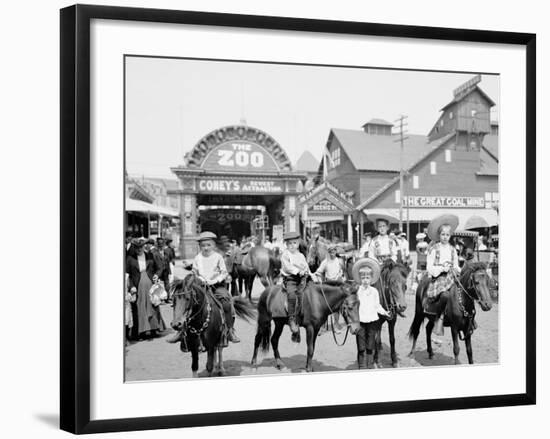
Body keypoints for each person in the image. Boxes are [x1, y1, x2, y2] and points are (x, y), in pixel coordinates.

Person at [192, 231, 240, 343]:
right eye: (203, 245)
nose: (206, 248)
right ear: (200, 247)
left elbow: (224, 272)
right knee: (188, 301)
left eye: (209, 245)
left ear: (213, 245)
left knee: (226, 302)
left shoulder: (218, 257)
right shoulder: (197, 258)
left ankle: (229, 330)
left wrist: (215, 280)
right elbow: (194, 272)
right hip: (201, 286)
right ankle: (183, 332)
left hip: (216, 286)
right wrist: (200, 279)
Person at [425, 214, 461, 336]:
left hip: (451, 277)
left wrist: (457, 269)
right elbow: (429, 267)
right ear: (439, 235)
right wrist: (441, 268)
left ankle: (468, 318)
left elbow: (456, 265)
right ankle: (438, 319)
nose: (445, 237)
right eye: (443, 234)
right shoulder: (434, 249)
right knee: (445, 295)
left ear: (450, 236)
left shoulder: (453, 250)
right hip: (439, 278)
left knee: (464, 292)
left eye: (447, 235)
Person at [352, 258, 391, 369]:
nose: (365, 280)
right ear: (359, 279)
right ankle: (362, 366)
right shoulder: (357, 291)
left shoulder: (374, 291)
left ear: (371, 279)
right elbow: (353, 306)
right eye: (363, 278)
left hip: (372, 321)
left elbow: (377, 305)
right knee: (361, 346)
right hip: (360, 322)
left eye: (367, 278)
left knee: (370, 345)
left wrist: (385, 312)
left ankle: (369, 365)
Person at [126, 238, 167, 340]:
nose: (139, 249)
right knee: (139, 308)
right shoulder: (130, 259)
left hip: (150, 284)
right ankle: (140, 332)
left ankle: (154, 329)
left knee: (153, 305)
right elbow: (128, 275)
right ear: (134, 248)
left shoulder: (150, 255)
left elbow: (160, 267)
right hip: (137, 286)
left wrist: (157, 275)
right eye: (137, 247)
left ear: (144, 247)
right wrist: (131, 287)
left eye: (141, 247)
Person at [281, 231, 311, 335]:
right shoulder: (285, 255)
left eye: (294, 243)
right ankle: (291, 319)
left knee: (309, 293)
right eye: (290, 244)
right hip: (291, 279)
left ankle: (309, 315)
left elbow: (306, 266)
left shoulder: (300, 255)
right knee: (292, 295)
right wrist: (298, 271)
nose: (292, 245)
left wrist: (308, 272)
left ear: (298, 244)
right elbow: (287, 267)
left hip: (302, 279)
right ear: (286, 245)